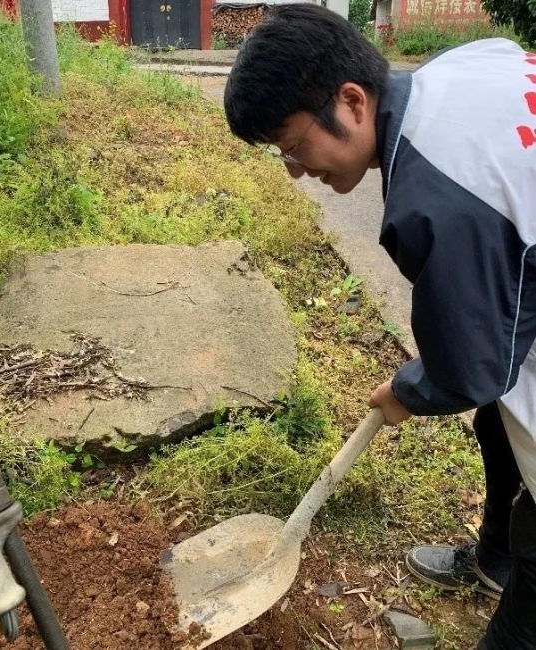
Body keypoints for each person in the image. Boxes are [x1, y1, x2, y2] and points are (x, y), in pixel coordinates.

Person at [223, 5, 536, 648]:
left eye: (293, 145)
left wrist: (410, 390)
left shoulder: (434, 203)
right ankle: (494, 560)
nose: (295, 169)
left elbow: (471, 366)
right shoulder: (466, 66)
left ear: (352, 100)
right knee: (500, 419)